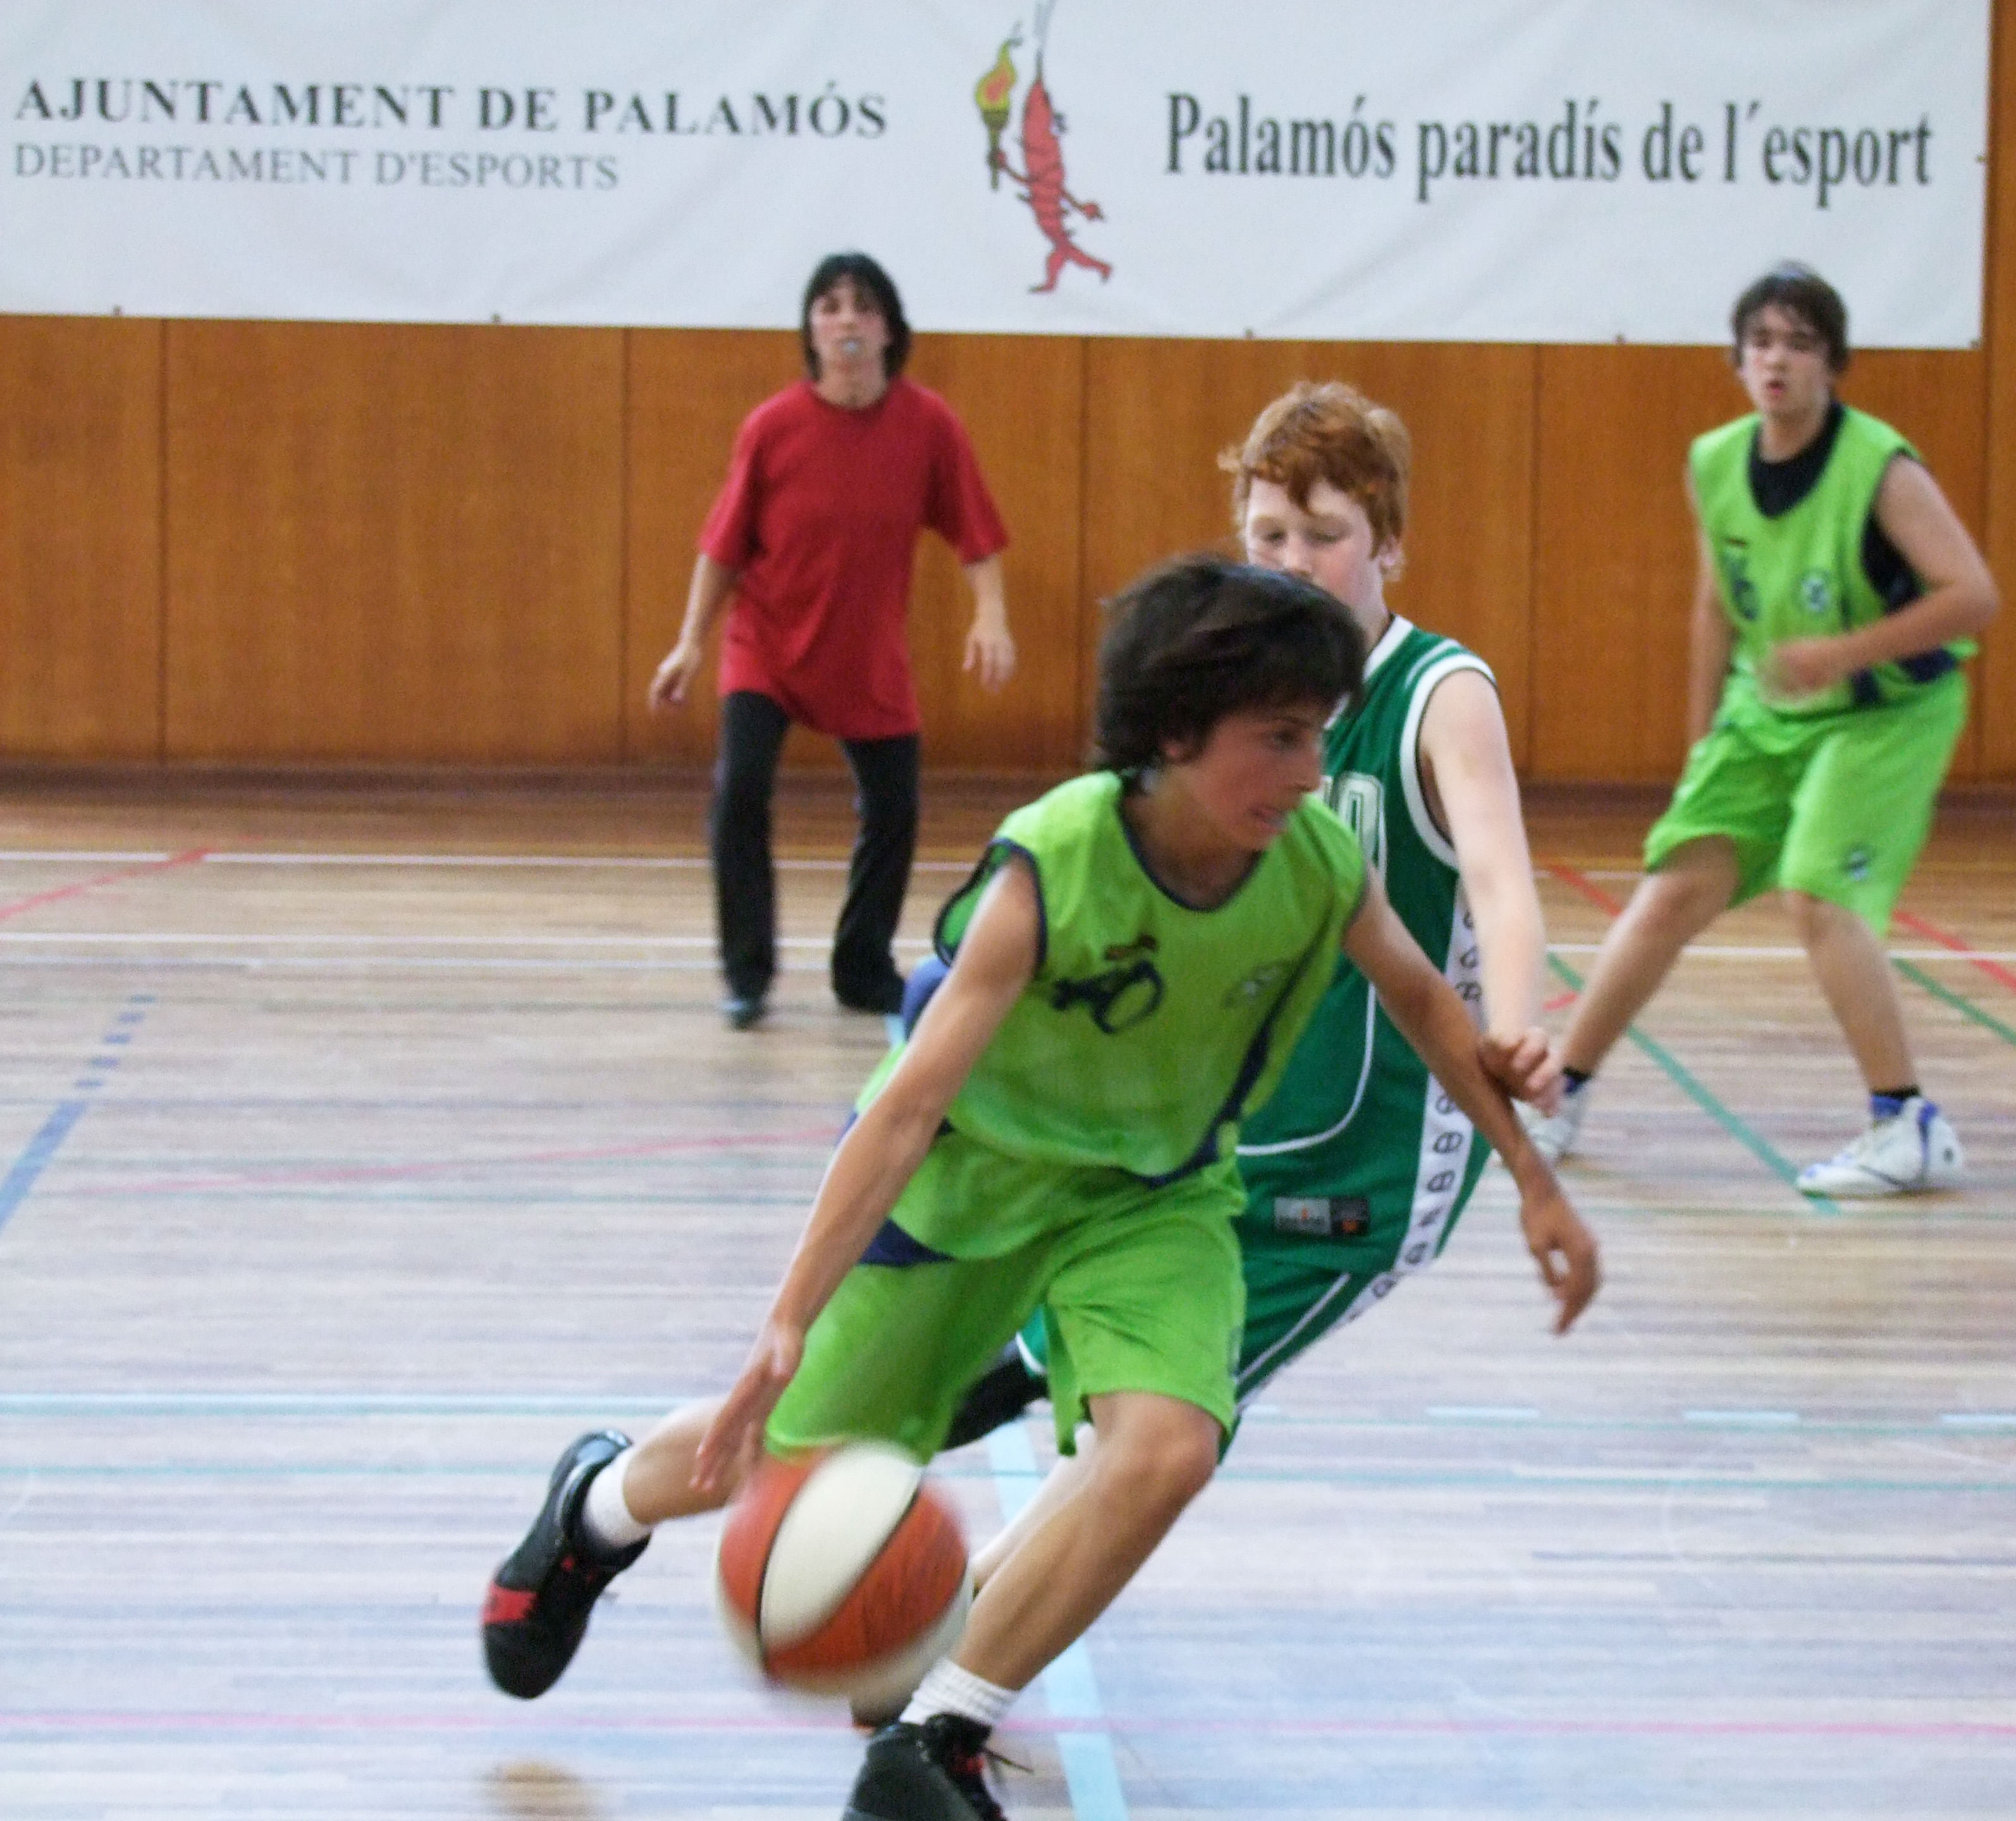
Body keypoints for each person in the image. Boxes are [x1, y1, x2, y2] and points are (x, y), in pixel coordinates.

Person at [483, 558, 1599, 1821]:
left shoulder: (1317, 866)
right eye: (1278, 739)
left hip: (1154, 1200)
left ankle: (935, 1739)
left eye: (1317, 737)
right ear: (1175, 735)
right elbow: (908, 1107)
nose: (1308, 773)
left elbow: (1424, 1001)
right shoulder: (1054, 866)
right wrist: (785, 1321)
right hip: (973, 1183)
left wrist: (1532, 1178)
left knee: (1170, 1445)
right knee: (794, 1460)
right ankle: (594, 1508)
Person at [945, 381, 1580, 1481]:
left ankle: (957, 1580)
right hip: (1236, 1110)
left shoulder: (1438, 694)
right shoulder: (1237, 700)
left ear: (1390, 544)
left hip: (1374, 1139)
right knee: (1075, 1372)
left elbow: (1500, 879)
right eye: (1269, 535)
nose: (1292, 560)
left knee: (1154, 1438)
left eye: (1324, 535)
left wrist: (1518, 1027)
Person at [1525, 263, 1999, 1196]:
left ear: (1833, 364)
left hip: (1884, 713)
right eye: (1762, 343)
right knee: (1671, 889)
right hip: (1767, 710)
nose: (1777, 361)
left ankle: (1907, 1123)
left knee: (1817, 891)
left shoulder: (1880, 469)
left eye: (1800, 344)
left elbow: (1974, 596)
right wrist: (1703, 739)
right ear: (1738, 359)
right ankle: (1561, 1096)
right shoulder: (1715, 461)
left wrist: (1845, 653)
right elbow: (1714, 605)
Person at [649, 251, 1016, 1028]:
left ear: (889, 331)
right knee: (740, 791)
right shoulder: (772, 428)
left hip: (865, 657)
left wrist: (991, 614)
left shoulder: (928, 426)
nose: (847, 320)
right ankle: (747, 973)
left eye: (863, 307)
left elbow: (977, 536)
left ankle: (861, 966)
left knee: (895, 807)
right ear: (811, 331)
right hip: (767, 646)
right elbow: (723, 548)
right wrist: (689, 642)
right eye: (830, 306)